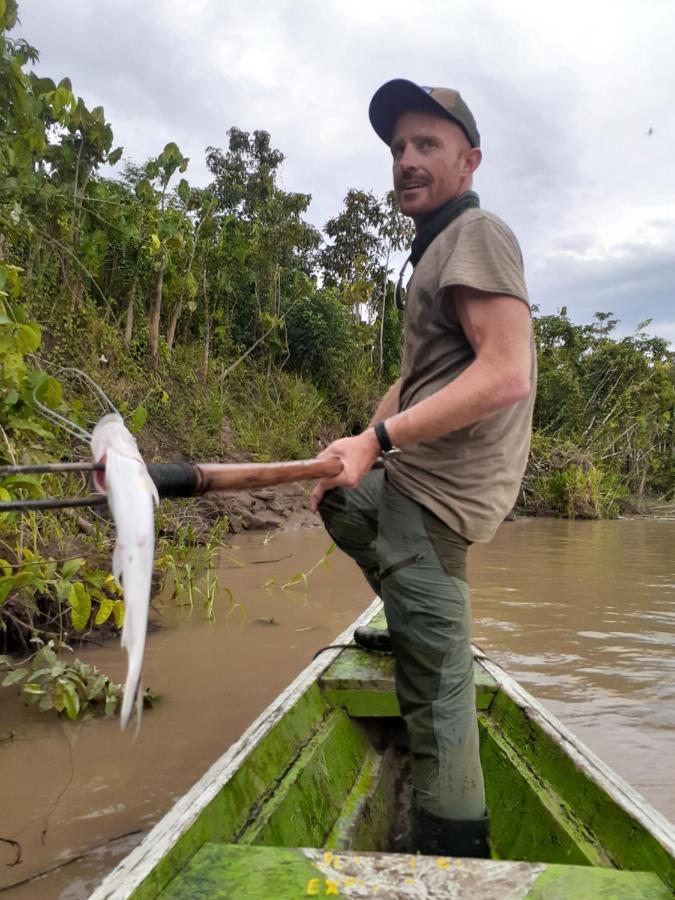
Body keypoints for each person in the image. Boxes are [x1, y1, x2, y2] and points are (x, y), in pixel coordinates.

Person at [310, 79, 536, 858]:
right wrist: (359, 442)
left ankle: (454, 858)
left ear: (468, 161)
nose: (406, 160)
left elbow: (504, 371)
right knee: (342, 504)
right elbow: (422, 377)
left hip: (438, 495)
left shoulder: (475, 234)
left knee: (436, 704)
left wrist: (381, 441)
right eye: (398, 147)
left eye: (426, 145)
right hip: (410, 481)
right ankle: (423, 610)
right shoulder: (435, 249)